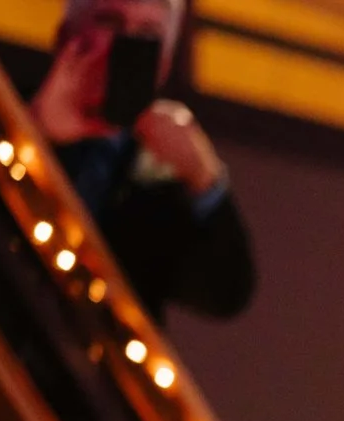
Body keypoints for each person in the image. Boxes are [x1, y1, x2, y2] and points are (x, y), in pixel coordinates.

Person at [25, 0, 256, 320]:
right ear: (66, 36)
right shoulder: (2, 108)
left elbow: (226, 295)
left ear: (163, 63)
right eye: (109, 22)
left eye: (148, 33)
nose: (128, 42)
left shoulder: (165, 172)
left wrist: (204, 179)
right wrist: (35, 135)